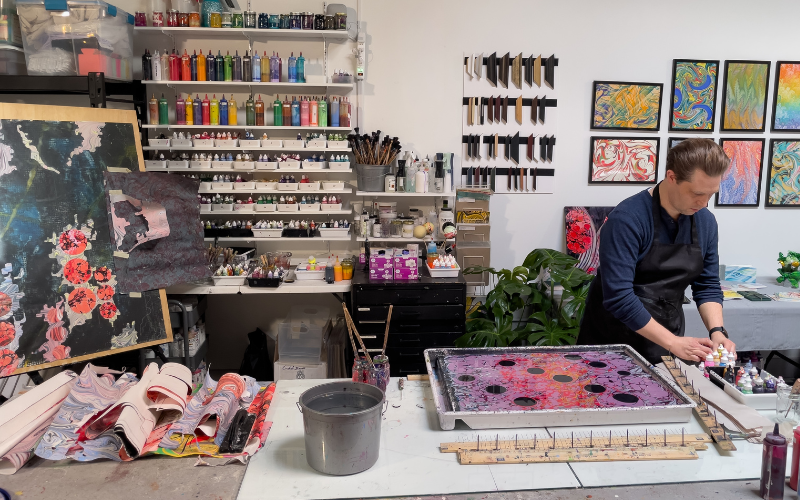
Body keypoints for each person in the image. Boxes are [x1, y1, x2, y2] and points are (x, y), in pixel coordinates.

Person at [577, 138, 736, 364]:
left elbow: (707, 284)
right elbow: (619, 297)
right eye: (697, 193)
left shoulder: (705, 222)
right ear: (672, 177)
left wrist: (717, 332)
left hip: (668, 337)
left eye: (711, 194)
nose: (704, 203)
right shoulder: (627, 220)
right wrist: (672, 342)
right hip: (613, 341)